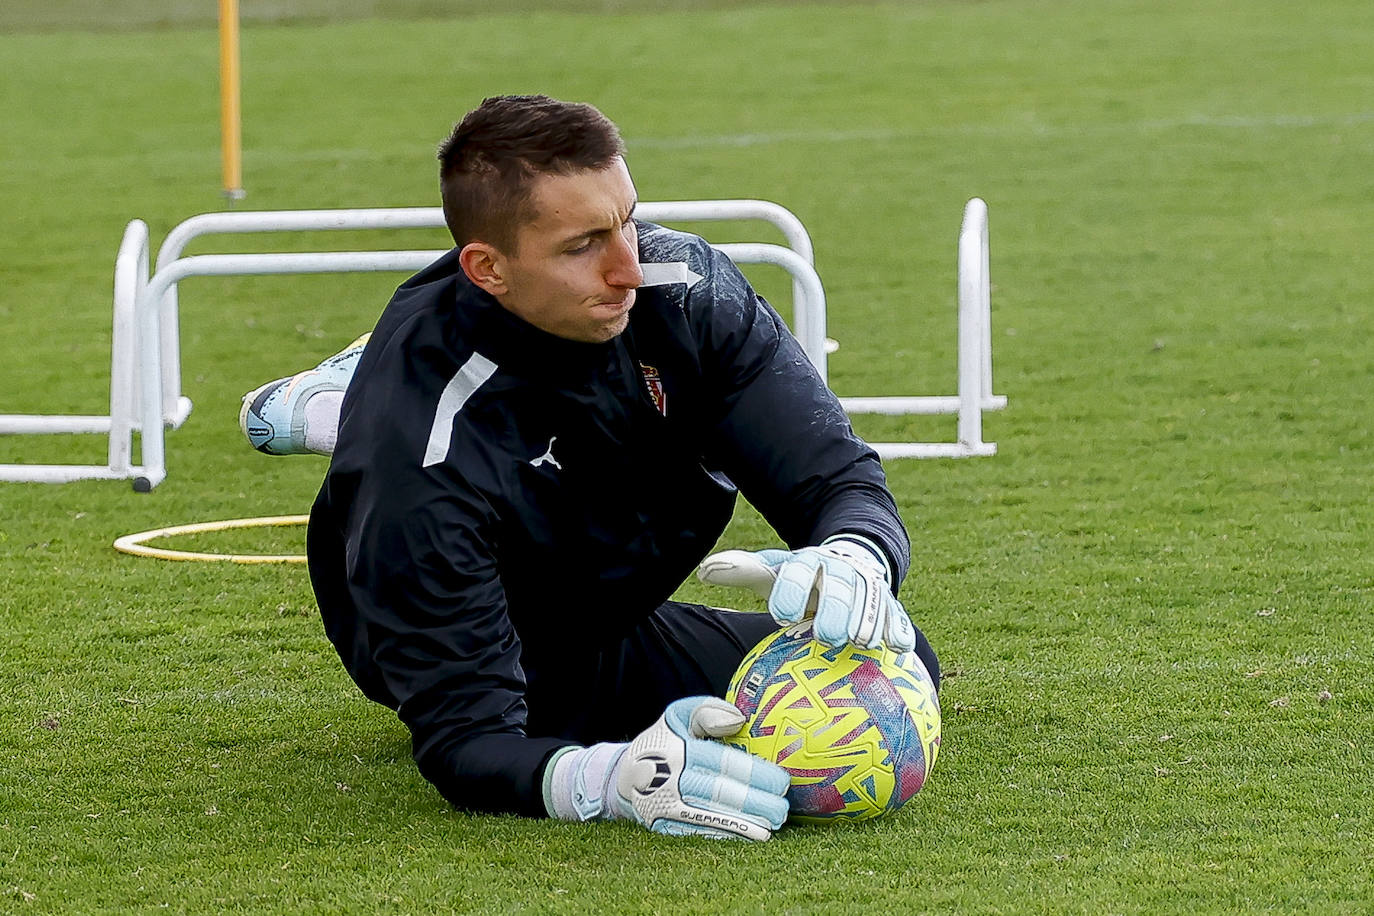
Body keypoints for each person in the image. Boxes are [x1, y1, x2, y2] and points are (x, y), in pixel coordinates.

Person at [242, 95, 939, 841]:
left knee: (892, 663)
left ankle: (338, 395)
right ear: (488, 268)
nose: (628, 268)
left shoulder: (685, 290)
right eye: (582, 246)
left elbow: (836, 480)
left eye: (628, 220)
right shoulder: (421, 450)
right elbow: (468, 743)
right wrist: (606, 782)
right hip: (501, 630)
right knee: (547, 721)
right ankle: (342, 403)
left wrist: (853, 555)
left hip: (606, 597)